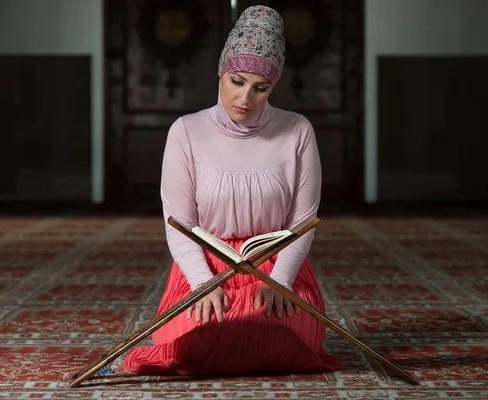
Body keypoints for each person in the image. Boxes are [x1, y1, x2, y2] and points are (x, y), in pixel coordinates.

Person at [122, 5, 343, 376]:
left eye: (261, 88)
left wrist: (280, 282)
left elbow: (303, 222)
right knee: (196, 332)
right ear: (221, 72)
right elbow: (178, 223)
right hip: (206, 262)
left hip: (275, 264)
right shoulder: (185, 131)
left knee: (280, 328)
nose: (246, 99)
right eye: (236, 81)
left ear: (273, 86)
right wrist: (203, 284)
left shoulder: (298, 130)